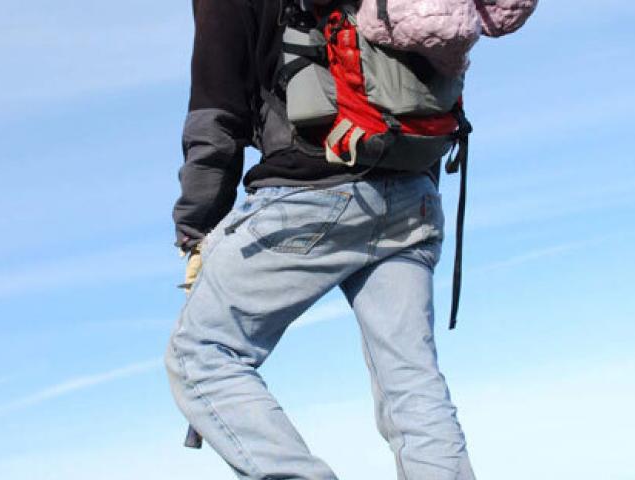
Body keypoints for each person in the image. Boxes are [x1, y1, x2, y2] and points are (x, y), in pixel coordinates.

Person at [163, 0, 477, 478]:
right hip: (412, 193)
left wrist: (196, 224)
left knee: (200, 352)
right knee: (412, 385)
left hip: (311, 190)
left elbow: (216, 118)